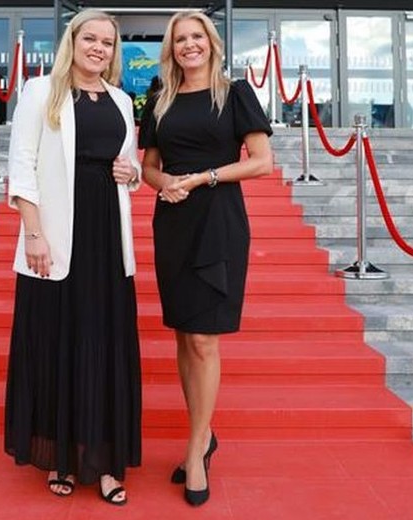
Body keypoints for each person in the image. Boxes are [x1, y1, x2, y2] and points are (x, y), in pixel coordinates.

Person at [4, 9, 142, 506]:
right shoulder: (41, 91)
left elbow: (130, 164)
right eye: (91, 39)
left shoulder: (121, 100)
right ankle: (61, 457)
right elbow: (22, 165)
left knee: (104, 344)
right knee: (57, 343)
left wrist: (131, 172)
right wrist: (34, 234)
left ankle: (103, 463)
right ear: (73, 41)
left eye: (108, 42)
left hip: (107, 237)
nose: (99, 48)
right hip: (56, 236)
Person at [138, 11, 273, 507]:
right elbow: (149, 167)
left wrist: (204, 178)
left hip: (219, 221)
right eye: (180, 39)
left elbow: (262, 162)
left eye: (197, 36)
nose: (189, 45)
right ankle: (205, 435)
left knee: (203, 339)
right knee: (184, 334)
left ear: (212, 43)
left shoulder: (234, 93)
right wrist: (167, 183)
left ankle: (196, 449)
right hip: (173, 220)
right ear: (171, 48)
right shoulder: (160, 96)